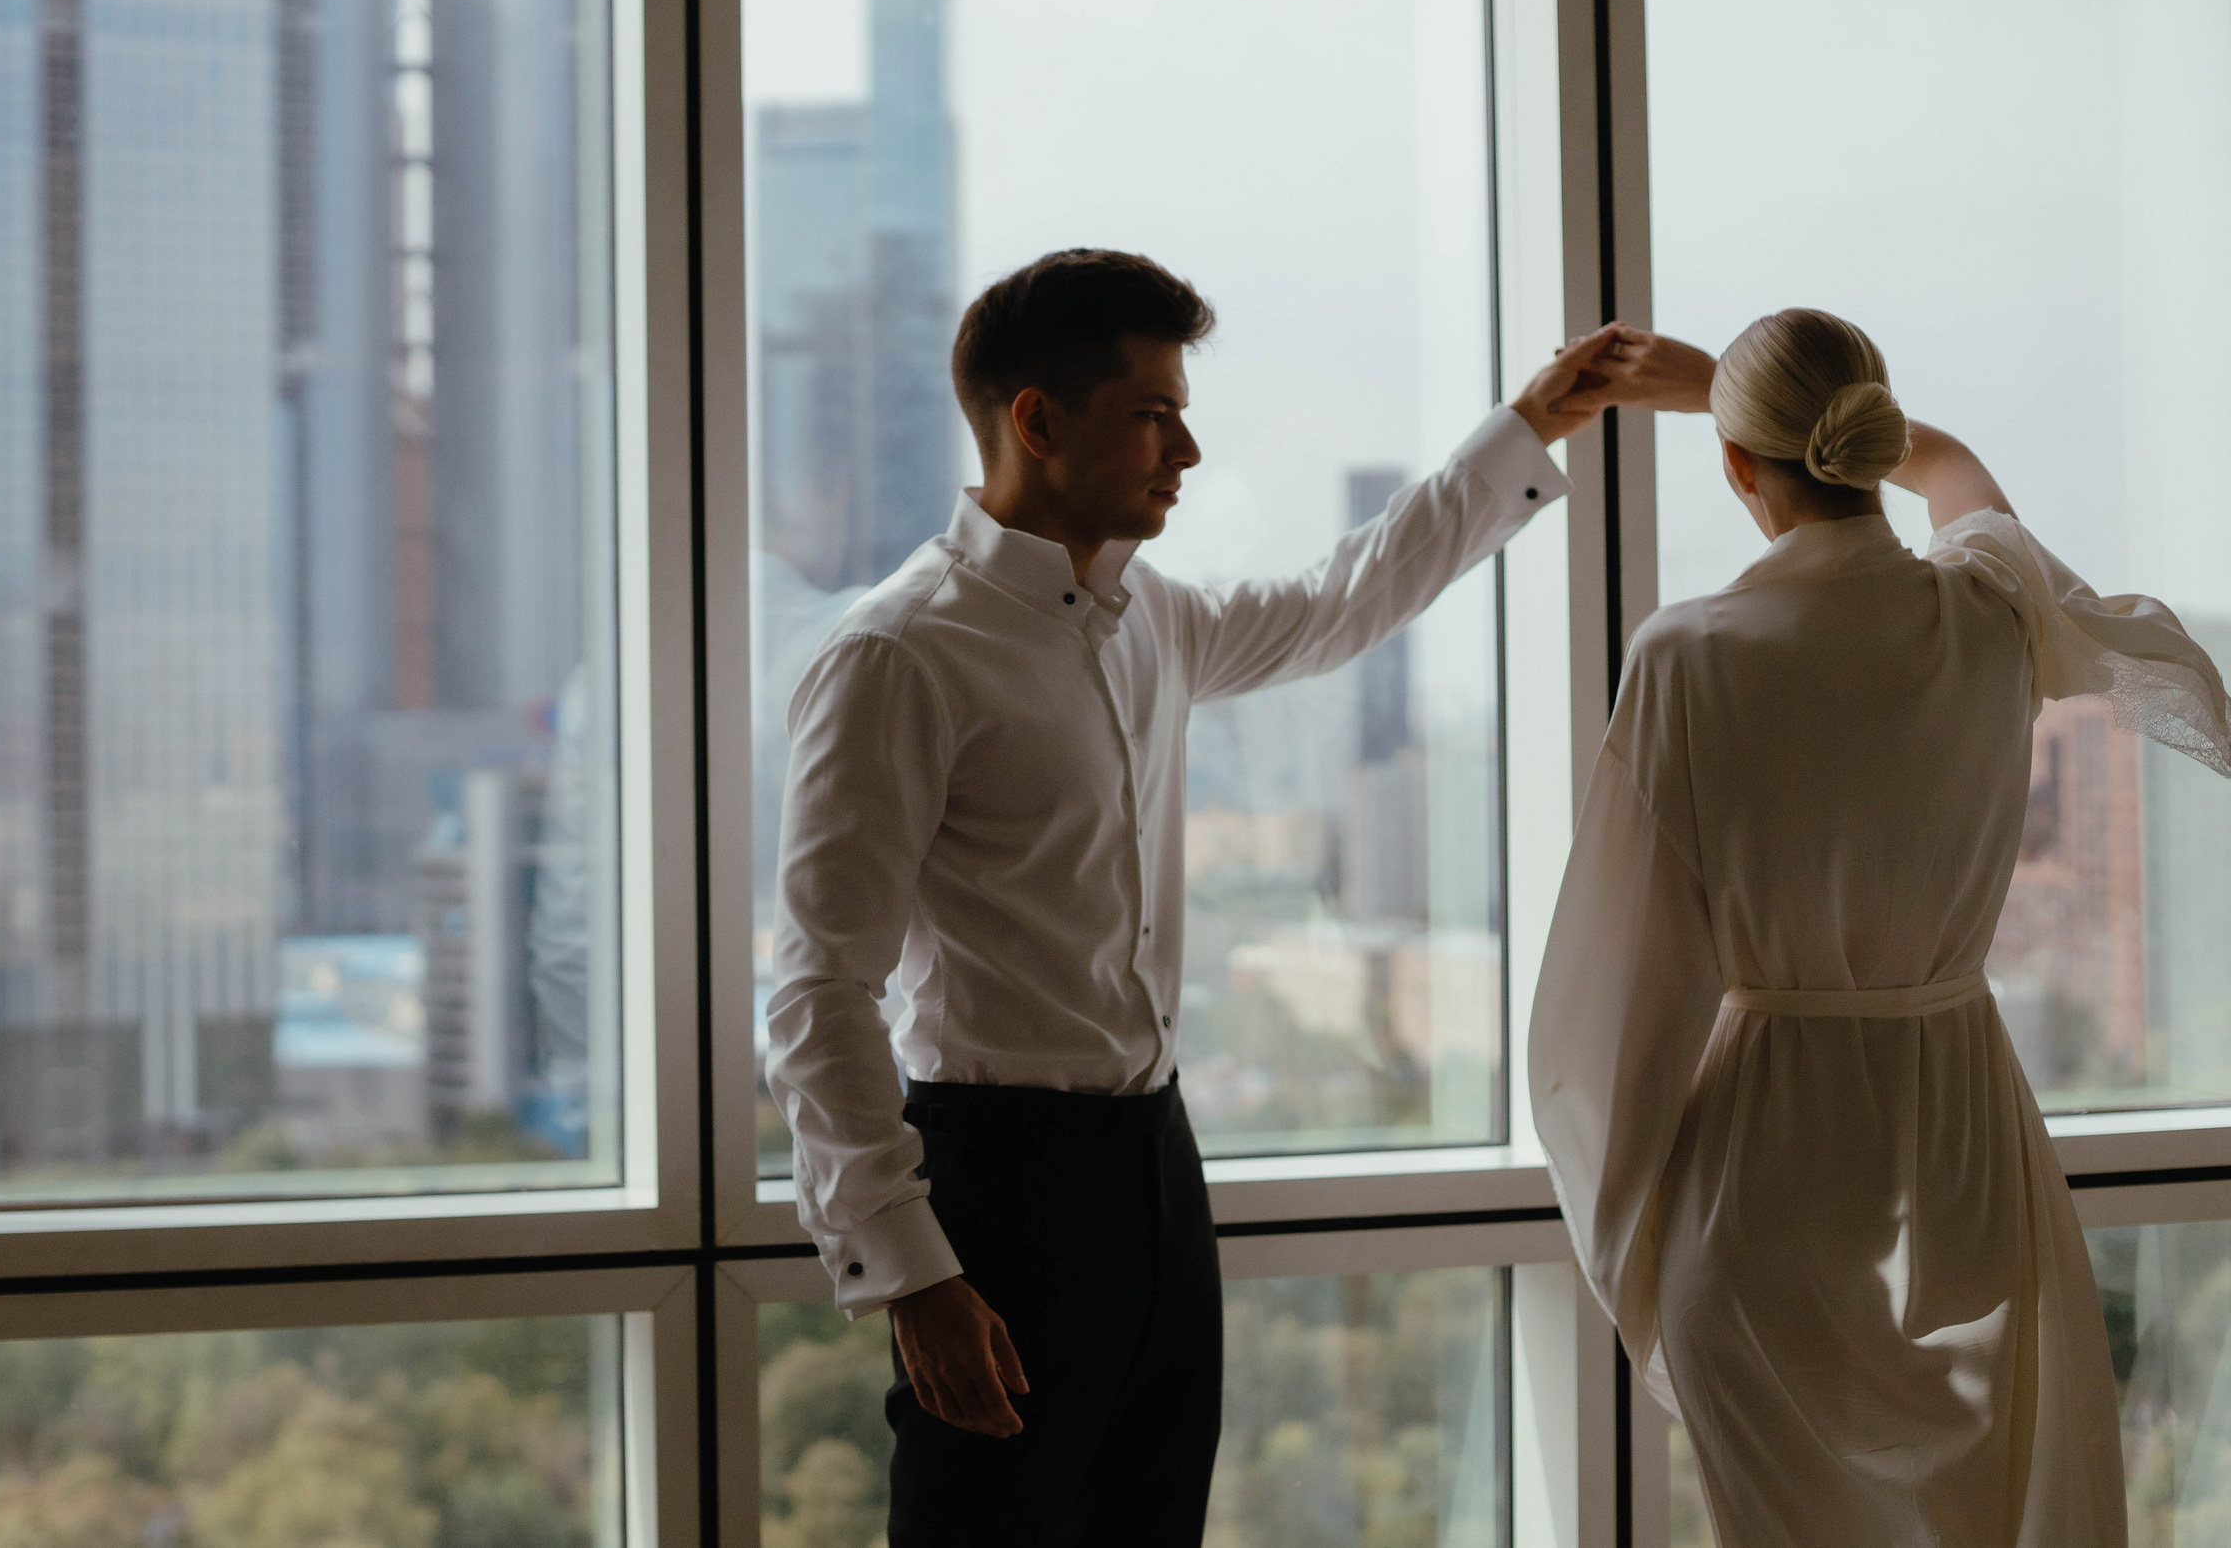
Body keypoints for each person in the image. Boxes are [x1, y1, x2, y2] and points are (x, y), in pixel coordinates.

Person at [763, 246, 1620, 1544]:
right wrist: (912, 1267)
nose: (1190, 448)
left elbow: (1343, 600)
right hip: (994, 1184)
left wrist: (1530, 424)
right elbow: (819, 982)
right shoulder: (898, 651)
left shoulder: (1150, 612)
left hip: (1158, 1166)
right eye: (1154, 411)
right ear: (1039, 421)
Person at [1531, 311, 2231, 1548]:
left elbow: (1623, 989)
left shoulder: (1688, 654)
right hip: (1961, 1131)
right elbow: (1958, 484)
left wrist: (1625, 1213)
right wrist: (1728, 394)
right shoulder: (1989, 610)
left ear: (1737, 467)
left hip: (1763, 1162)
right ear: (1873, 432)